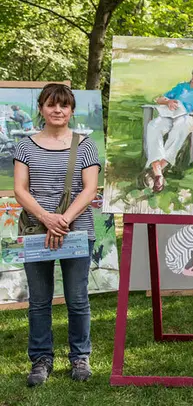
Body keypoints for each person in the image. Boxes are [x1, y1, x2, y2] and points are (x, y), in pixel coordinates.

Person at [13, 84, 101, 386]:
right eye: (51, 105)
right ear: (41, 108)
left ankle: (80, 357)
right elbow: (20, 189)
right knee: (39, 300)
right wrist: (47, 219)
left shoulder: (86, 145)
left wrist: (62, 220)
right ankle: (41, 359)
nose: (58, 110)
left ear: (71, 109)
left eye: (64, 105)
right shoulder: (25, 146)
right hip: (37, 230)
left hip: (77, 231)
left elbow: (90, 189)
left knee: (77, 298)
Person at [145, 65, 193, 192]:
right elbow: (160, 99)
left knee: (180, 128)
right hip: (170, 115)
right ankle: (158, 170)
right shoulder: (181, 87)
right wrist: (168, 102)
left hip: (187, 116)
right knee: (153, 126)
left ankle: (157, 172)